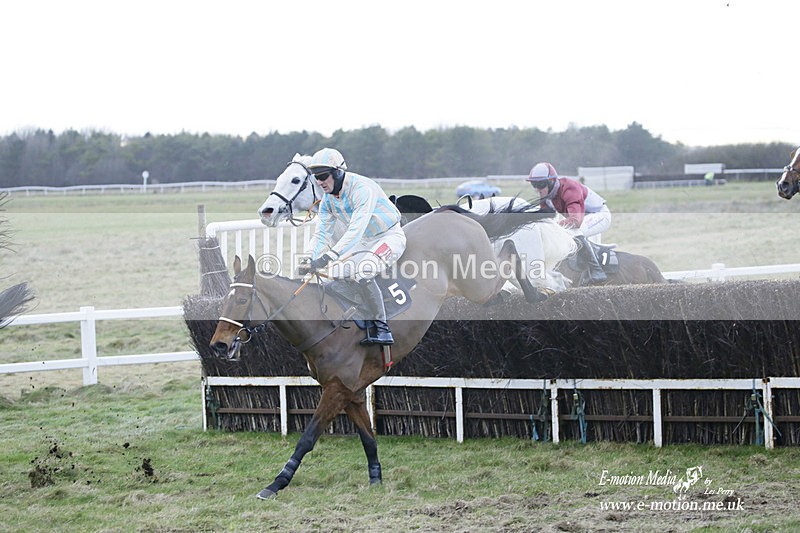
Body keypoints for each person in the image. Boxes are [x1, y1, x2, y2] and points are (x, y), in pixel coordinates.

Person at [298, 148, 405, 345]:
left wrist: (328, 256)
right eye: (316, 177)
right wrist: (307, 258)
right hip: (365, 241)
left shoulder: (361, 188)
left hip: (389, 236)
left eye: (323, 176)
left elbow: (356, 230)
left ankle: (383, 328)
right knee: (338, 274)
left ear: (338, 172)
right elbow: (321, 234)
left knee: (364, 271)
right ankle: (359, 314)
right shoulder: (327, 201)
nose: (320, 182)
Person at [526, 162, 611, 283]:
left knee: (573, 231)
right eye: (534, 184)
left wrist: (554, 227)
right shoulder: (547, 196)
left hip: (599, 216)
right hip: (583, 219)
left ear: (551, 182)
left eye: (540, 184)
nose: (537, 189)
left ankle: (597, 271)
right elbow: (544, 219)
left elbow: (576, 222)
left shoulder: (569, 189)